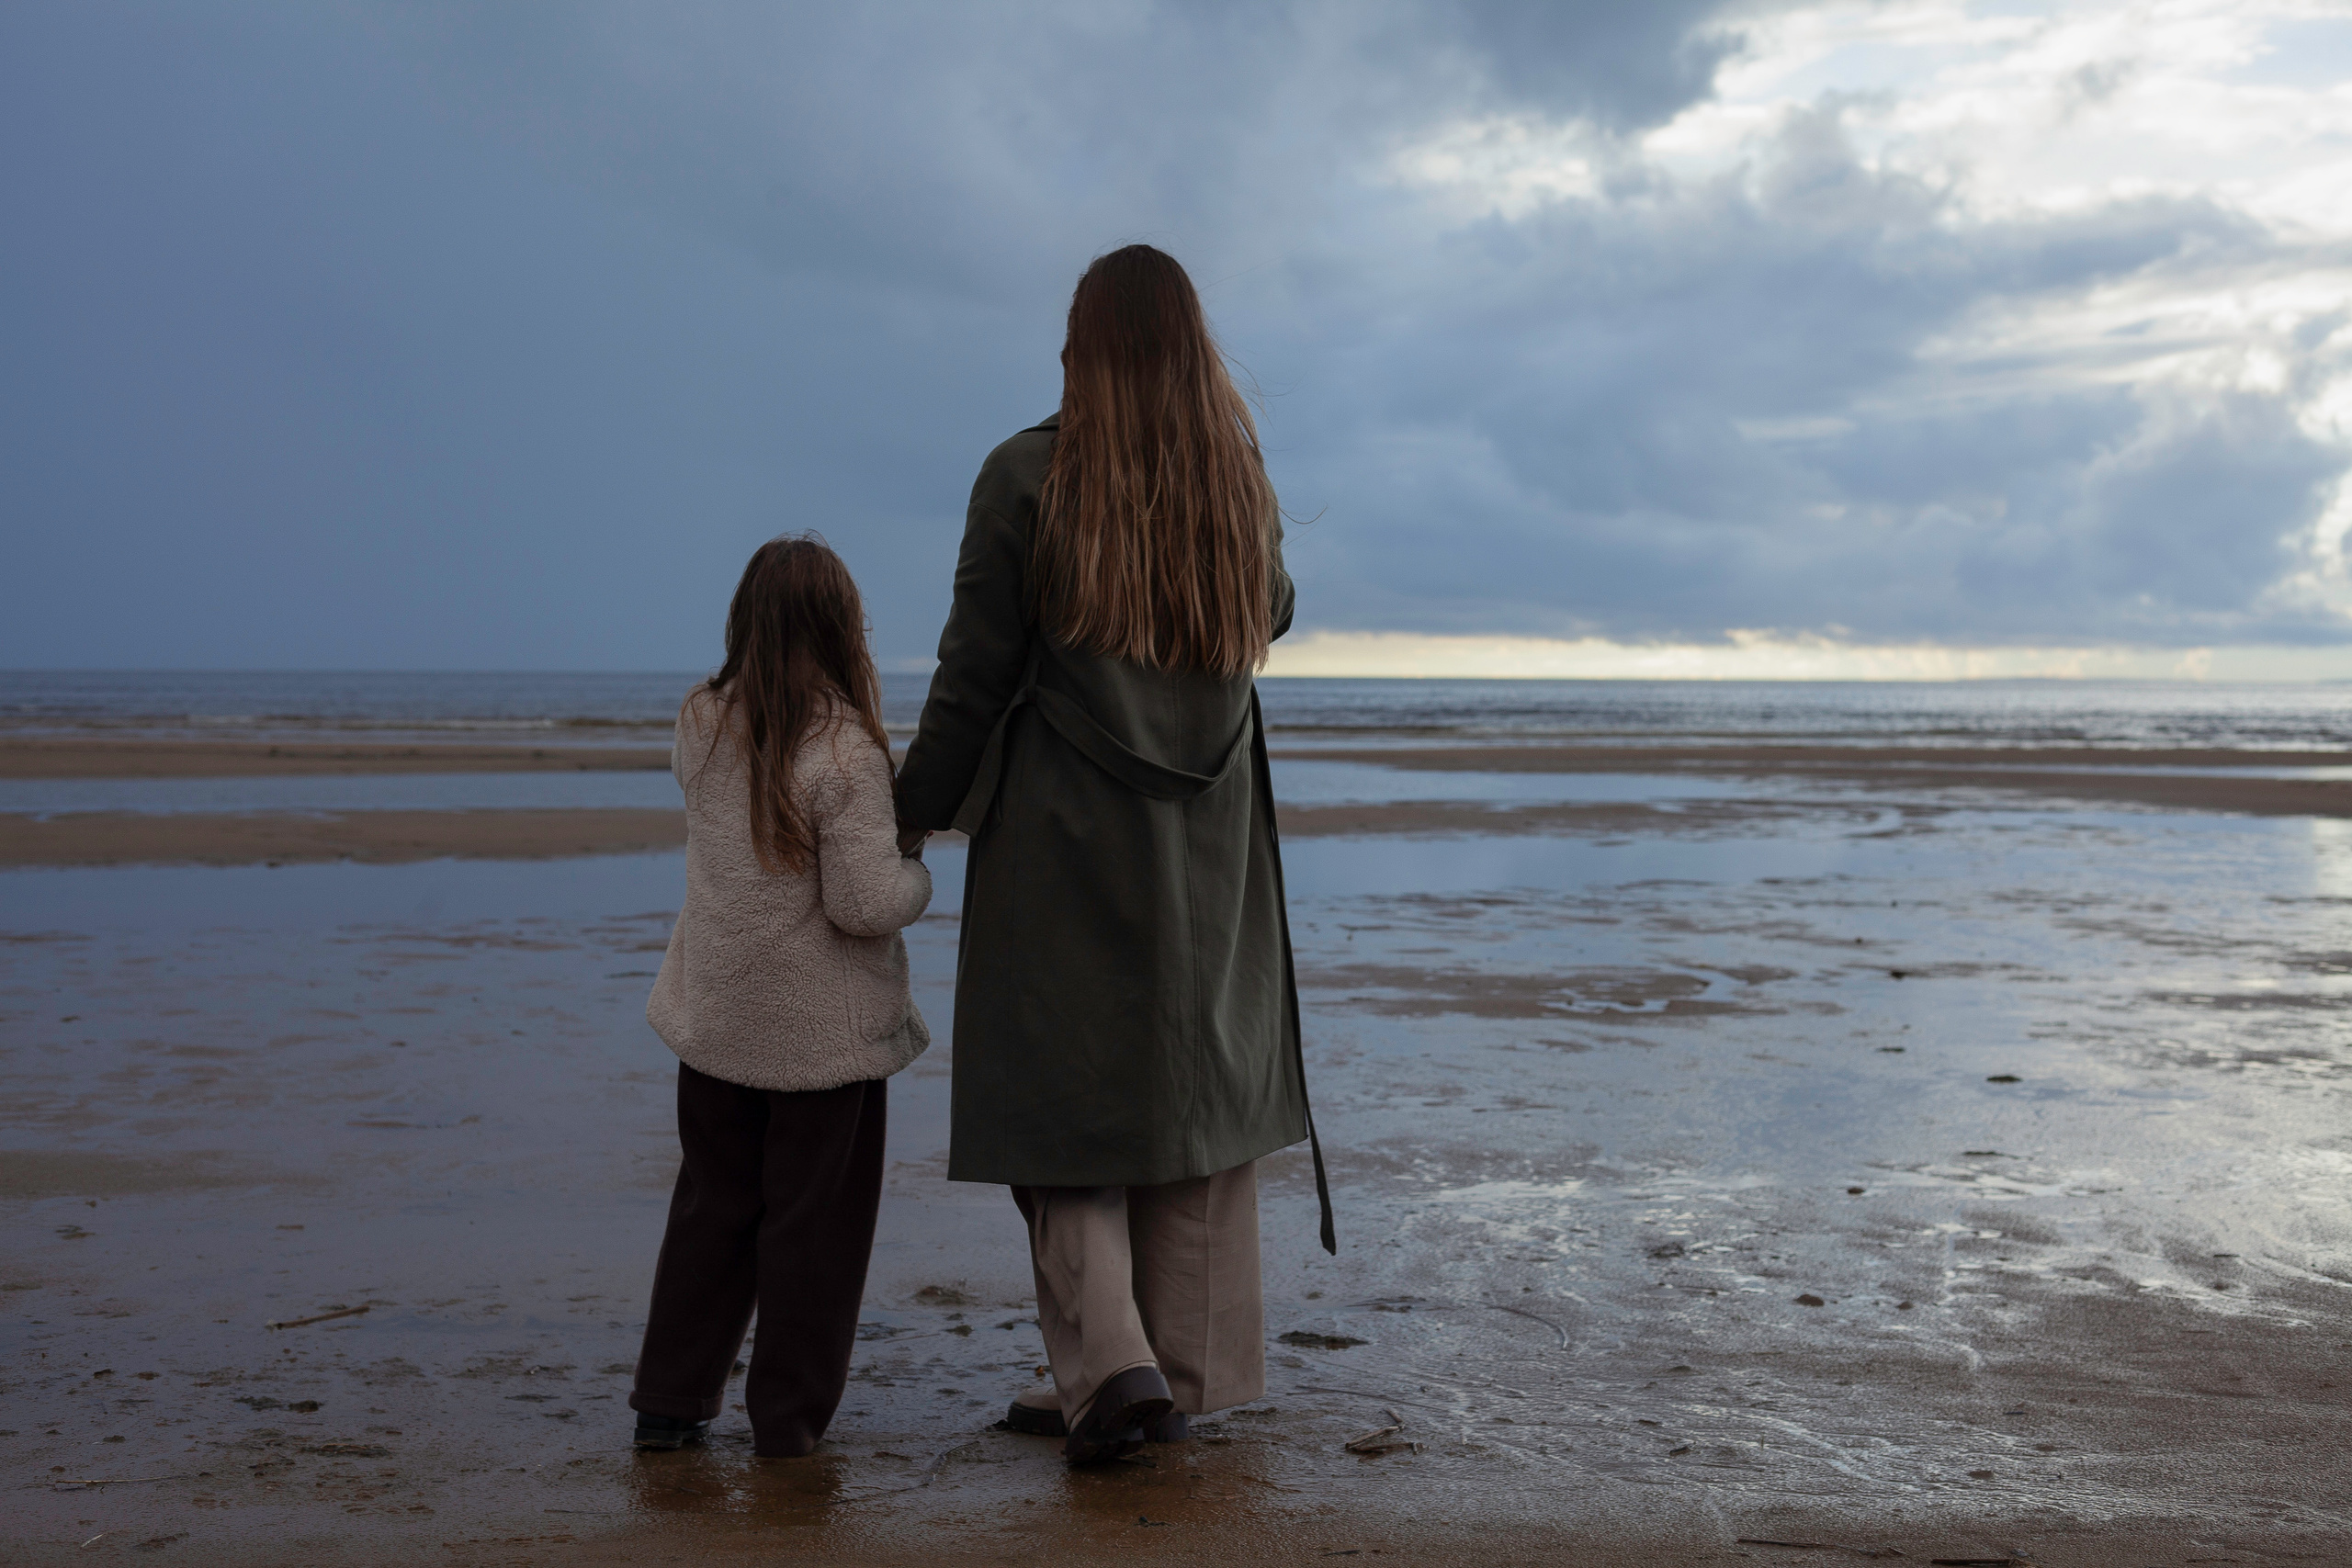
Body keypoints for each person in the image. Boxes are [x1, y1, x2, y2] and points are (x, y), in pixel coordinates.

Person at [893, 243, 1333, 1468]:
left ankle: (1112, 1365)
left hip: (1065, 832)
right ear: (1194, 350)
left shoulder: (1024, 473)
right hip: (1209, 842)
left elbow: (972, 675)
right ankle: (1168, 1368)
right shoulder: (1235, 481)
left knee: (1064, 1094)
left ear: (1081, 347)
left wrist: (904, 810)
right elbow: (1277, 608)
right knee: (1186, 1092)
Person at [628, 534, 933, 1459]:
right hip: (818, 1047)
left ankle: (669, 1405)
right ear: (846, 628)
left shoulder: (699, 719)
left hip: (717, 1020)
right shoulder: (843, 752)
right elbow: (863, 903)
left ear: (744, 621)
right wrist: (917, 869)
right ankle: (786, 1425)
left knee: (711, 1212)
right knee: (813, 1242)